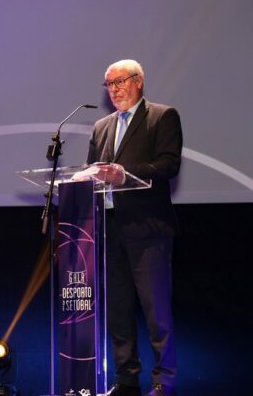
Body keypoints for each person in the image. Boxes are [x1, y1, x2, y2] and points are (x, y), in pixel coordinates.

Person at [86, 59, 182, 396]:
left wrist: (123, 173)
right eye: (109, 85)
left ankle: (163, 379)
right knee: (118, 312)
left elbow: (169, 164)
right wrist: (84, 178)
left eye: (120, 82)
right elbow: (92, 171)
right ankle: (126, 379)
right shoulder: (101, 127)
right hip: (110, 230)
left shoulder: (161, 116)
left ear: (138, 81)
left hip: (148, 229)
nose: (114, 90)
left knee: (156, 311)